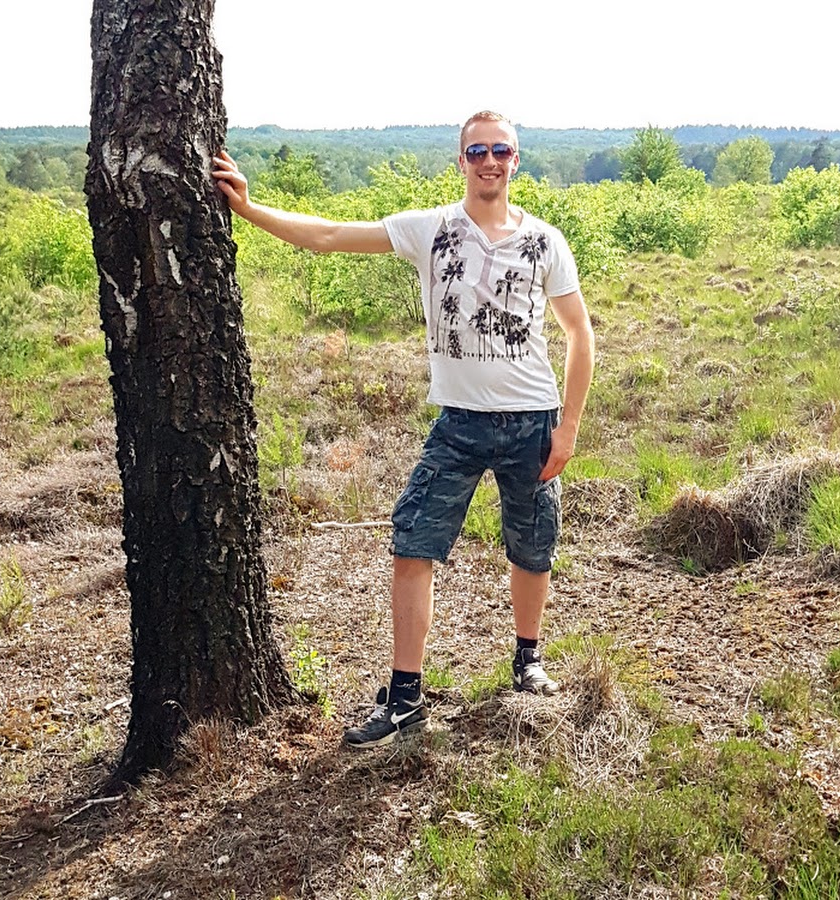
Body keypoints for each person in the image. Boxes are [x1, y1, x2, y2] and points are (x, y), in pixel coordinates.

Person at [212, 111, 595, 749]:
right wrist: (249, 210)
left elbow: (580, 334)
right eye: (478, 151)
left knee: (533, 546)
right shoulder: (431, 229)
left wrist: (569, 426)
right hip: (458, 424)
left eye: (501, 150)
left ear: (516, 160)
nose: (490, 161)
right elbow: (329, 236)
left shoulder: (545, 242)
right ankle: (406, 696)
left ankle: (528, 660)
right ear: (461, 160)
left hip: (533, 421)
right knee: (414, 544)